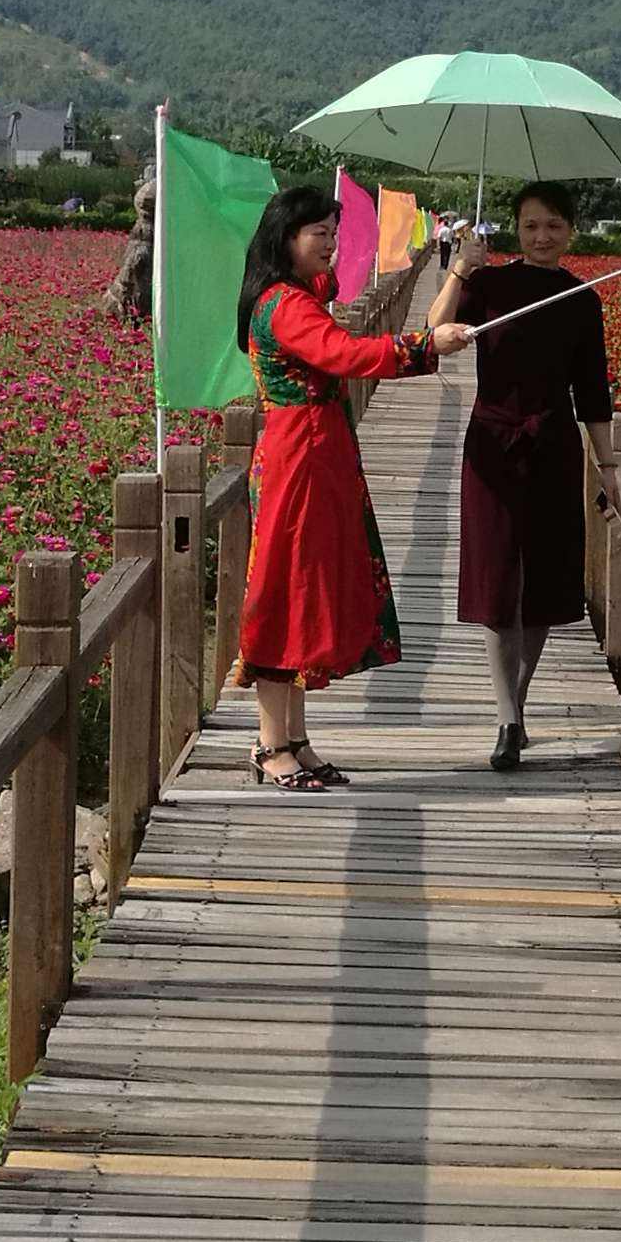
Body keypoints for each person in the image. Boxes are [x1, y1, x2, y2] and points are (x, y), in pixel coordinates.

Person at [228, 185, 476, 790]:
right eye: (321, 234)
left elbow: (336, 332)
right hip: (299, 461)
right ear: (288, 238)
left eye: (334, 234)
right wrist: (423, 344)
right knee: (285, 591)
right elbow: (342, 353)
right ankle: (268, 745)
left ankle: (296, 741)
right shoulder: (285, 304)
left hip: (317, 453)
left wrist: (454, 286)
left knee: (308, 587)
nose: (332, 246)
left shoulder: (296, 296)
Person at [428, 181, 615, 770]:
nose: (542, 237)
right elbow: (432, 337)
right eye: (532, 225)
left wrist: (608, 469)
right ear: (515, 227)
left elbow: (593, 392)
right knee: (497, 578)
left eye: (554, 226)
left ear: (570, 232)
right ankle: (508, 716)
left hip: (554, 443)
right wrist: (461, 268)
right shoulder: (489, 286)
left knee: (541, 584)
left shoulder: (583, 298)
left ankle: (516, 712)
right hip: (491, 442)